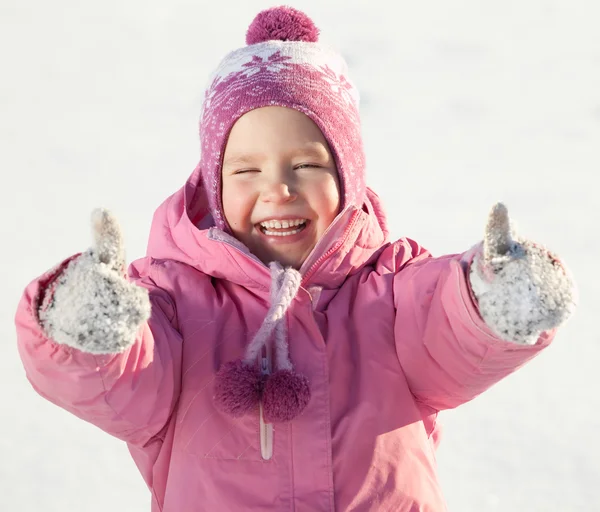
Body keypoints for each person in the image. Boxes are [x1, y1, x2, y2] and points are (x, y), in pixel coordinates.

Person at [15, 6, 576, 511]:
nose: (277, 189)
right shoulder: (176, 303)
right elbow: (124, 377)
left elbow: (450, 327)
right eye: (246, 170)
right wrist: (89, 326)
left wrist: (495, 295)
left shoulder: (389, 289)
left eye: (305, 165)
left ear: (349, 177)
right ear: (213, 184)